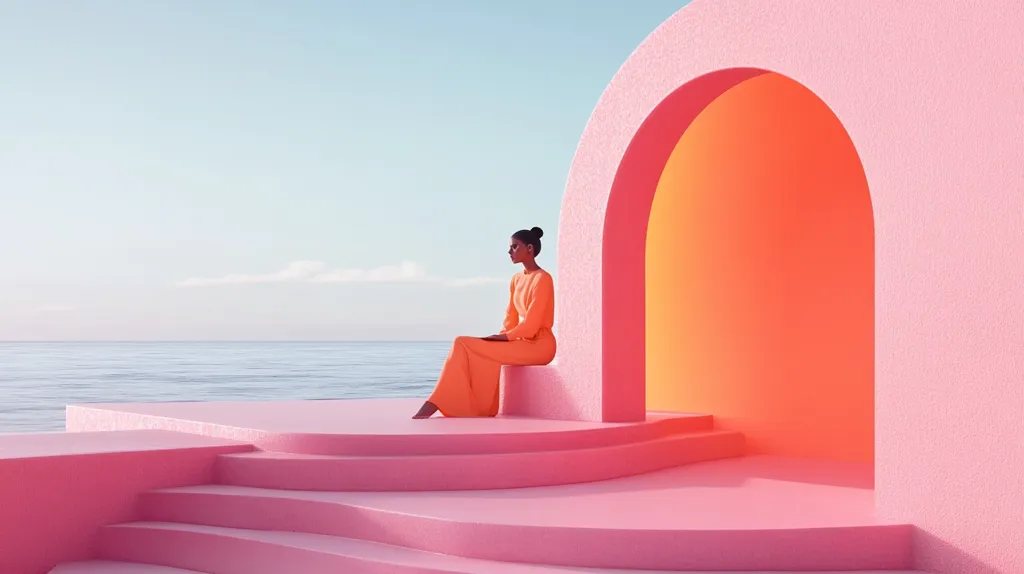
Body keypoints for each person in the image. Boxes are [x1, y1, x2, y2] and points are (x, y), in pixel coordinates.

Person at [412, 226, 556, 419]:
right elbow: (510, 317)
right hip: (521, 341)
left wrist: (505, 337)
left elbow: (532, 323)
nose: (509, 252)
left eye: (514, 247)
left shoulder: (543, 279)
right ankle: (480, 408)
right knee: (464, 344)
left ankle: (437, 402)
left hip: (540, 346)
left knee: (463, 342)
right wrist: (501, 336)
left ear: (529, 249)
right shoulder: (515, 279)